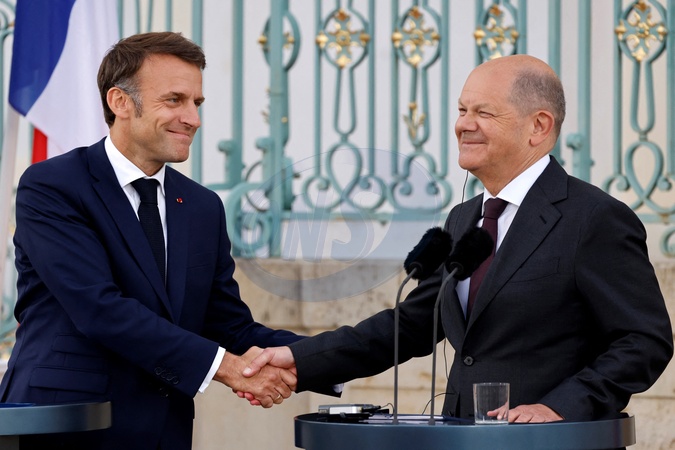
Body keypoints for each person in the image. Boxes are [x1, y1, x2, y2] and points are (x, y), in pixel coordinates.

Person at [240, 54, 674, 425]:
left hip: (552, 442)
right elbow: (411, 325)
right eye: (462, 110)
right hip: (463, 435)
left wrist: (559, 406)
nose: (463, 125)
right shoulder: (465, 218)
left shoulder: (594, 218)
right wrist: (300, 359)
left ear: (538, 126)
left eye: (483, 113)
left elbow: (644, 340)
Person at [0, 32, 299, 449]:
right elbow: (100, 309)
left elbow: (227, 324)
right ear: (120, 102)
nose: (193, 118)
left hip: (163, 431)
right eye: (174, 100)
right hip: (66, 424)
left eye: (197, 103)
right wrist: (226, 368)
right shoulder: (53, 186)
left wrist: (328, 356)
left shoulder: (203, 206)